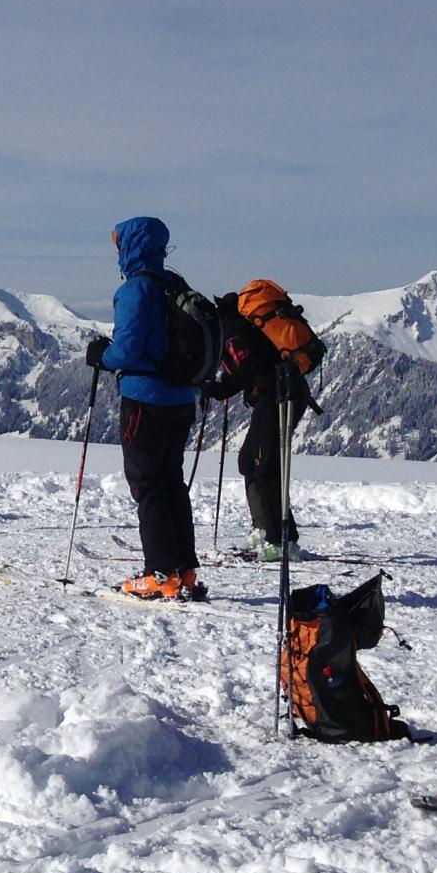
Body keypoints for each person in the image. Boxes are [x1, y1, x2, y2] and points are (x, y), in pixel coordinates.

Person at [83, 216, 204, 600]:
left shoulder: (136, 289)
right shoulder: (175, 285)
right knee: (171, 481)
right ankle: (184, 571)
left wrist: (101, 356)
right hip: (181, 399)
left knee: (148, 484)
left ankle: (160, 573)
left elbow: (128, 350)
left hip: (146, 399)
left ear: (129, 247)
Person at [205, 288, 320, 563]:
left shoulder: (232, 331)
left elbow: (247, 369)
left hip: (278, 397)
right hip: (284, 395)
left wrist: (218, 389)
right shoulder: (242, 326)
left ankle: (280, 541)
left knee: (264, 467)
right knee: (250, 461)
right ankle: (265, 528)